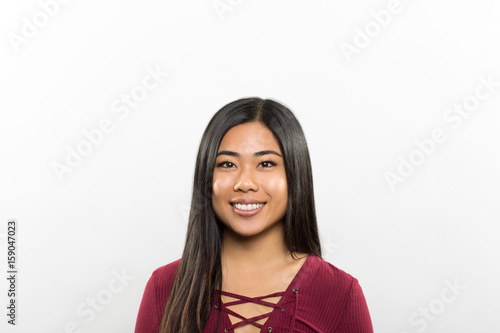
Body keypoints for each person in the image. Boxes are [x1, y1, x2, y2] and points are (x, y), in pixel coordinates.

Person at [134, 97, 374, 333]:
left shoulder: (341, 293)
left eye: (266, 164)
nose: (245, 183)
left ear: (294, 175)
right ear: (206, 177)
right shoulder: (164, 288)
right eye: (227, 164)